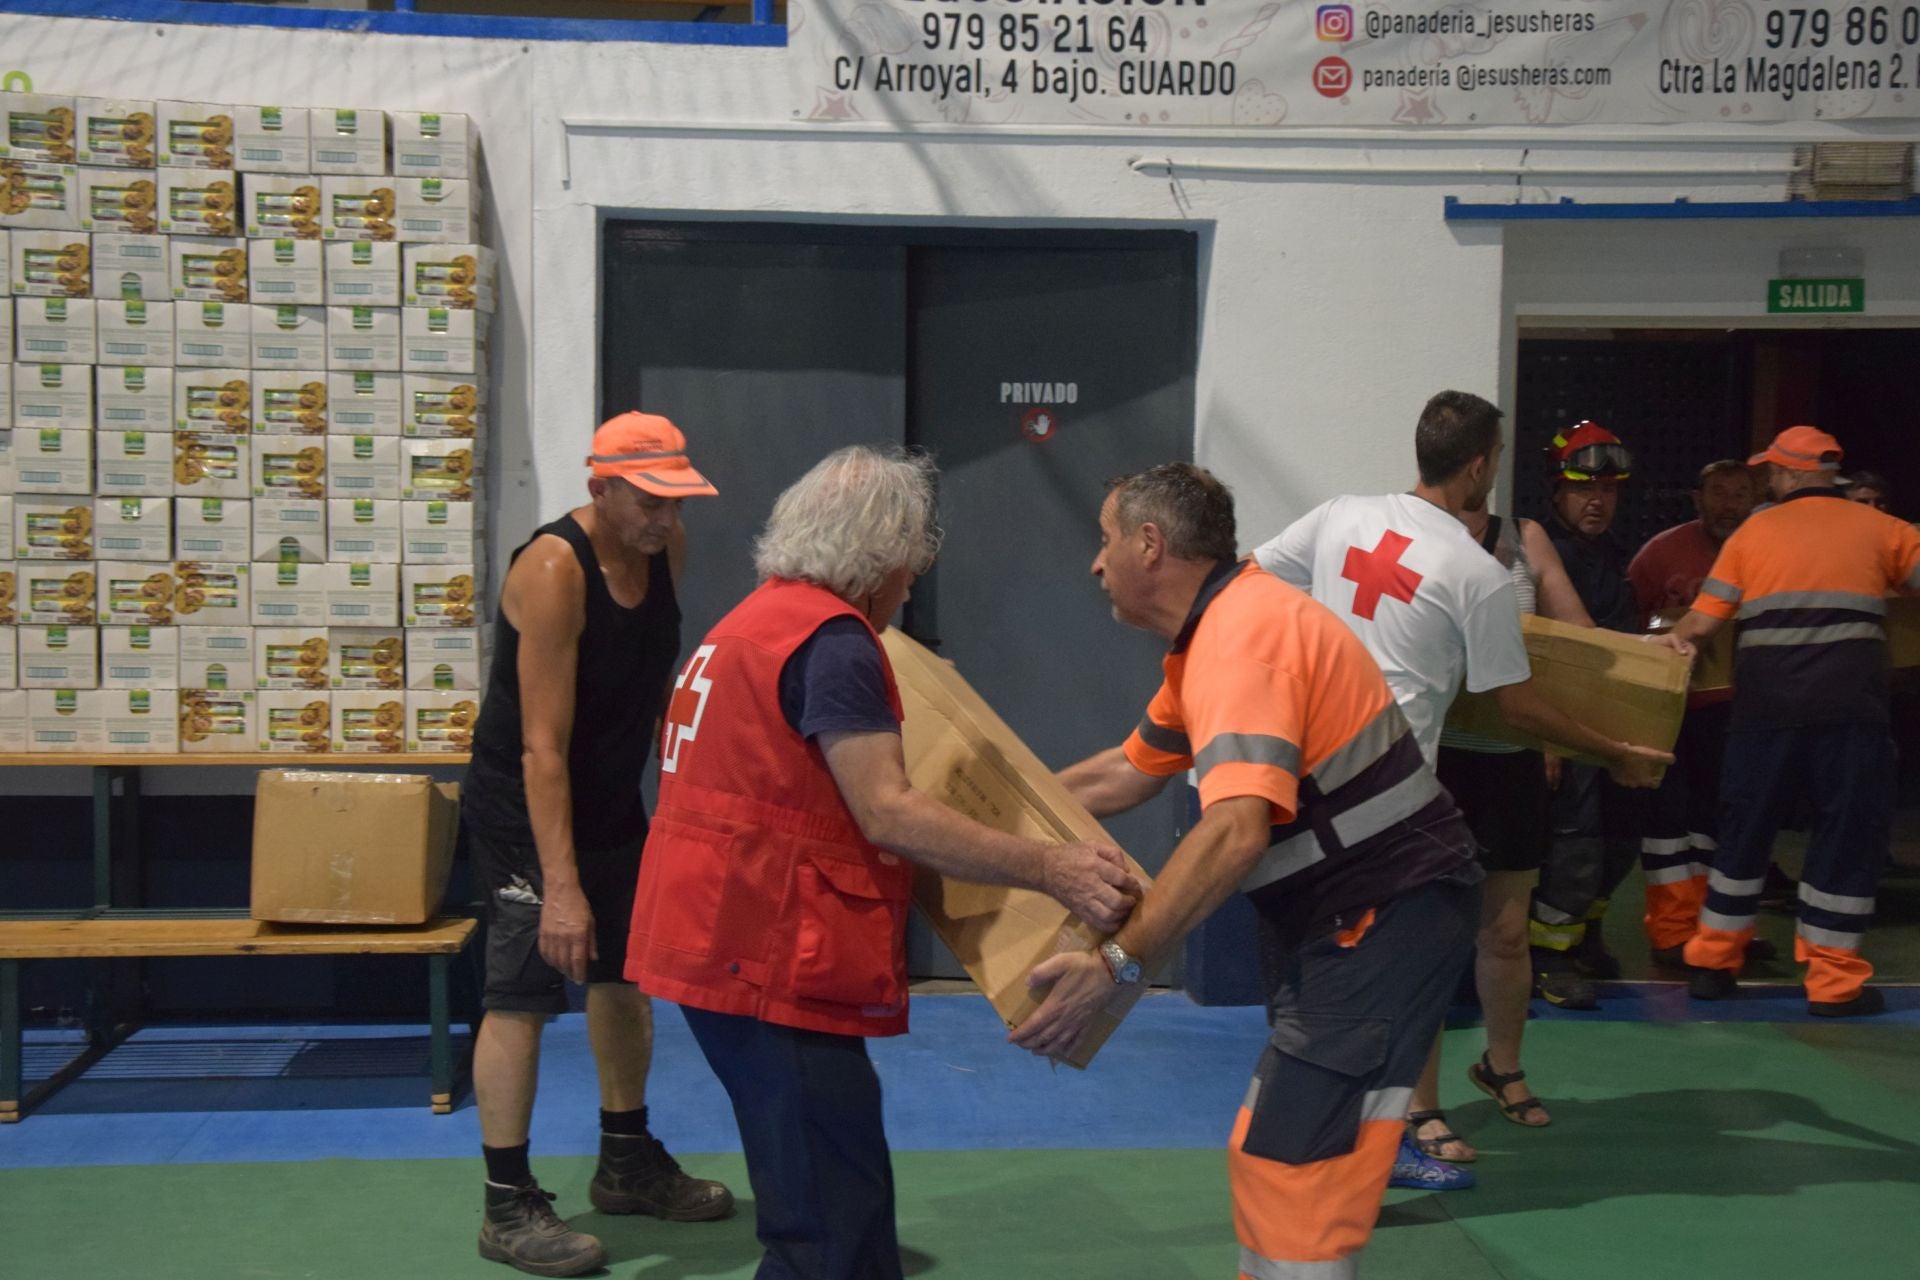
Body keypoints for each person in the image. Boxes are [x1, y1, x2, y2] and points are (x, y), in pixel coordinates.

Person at [625, 445, 1140, 1280]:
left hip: (710, 942)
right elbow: (887, 809)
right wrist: (1053, 868)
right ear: (882, 562)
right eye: (910, 570)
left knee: (837, 1203)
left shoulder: (745, 625)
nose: (909, 589)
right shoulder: (834, 644)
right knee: (825, 1227)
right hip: (770, 958)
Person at [1014, 461, 1488, 1276]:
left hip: (1380, 918)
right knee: (1302, 1152)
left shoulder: (1241, 640)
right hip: (1358, 919)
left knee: (1293, 1162)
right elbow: (1126, 774)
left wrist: (1118, 965)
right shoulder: (1216, 636)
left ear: (1150, 545)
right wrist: (983, 820)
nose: (1096, 564)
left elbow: (1233, 830)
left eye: (1105, 541)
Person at [1248, 391, 1671, 1178]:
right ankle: (1376, 1133)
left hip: (1322, 777)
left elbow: (1248, 580)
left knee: (1333, 970)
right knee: (1385, 965)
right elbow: (1520, 701)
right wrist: (1617, 751)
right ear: (1480, 464)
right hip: (1394, 793)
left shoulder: (1343, 516)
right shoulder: (1472, 570)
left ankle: (1354, 1136)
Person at [461, 411, 734, 1278]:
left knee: (628, 977)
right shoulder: (551, 570)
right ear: (600, 489)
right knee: (524, 992)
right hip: (523, 804)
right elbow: (543, 747)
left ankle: (626, 1159)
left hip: (613, 800)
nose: (666, 519)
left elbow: (655, 697)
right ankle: (507, 1203)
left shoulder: (664, 559)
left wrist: (687, 805)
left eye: (678, 502)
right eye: (651, 501)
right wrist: (562, 885)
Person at [1653, 426, 1920, 1017]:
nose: (1766, 481)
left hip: (1764, 714)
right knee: (1844, 840)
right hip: (1851, 713)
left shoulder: (1753, 532)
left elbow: (1699, 625)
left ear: (1790, 472)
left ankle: (1713, 963)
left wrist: (1653, 658)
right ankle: (1833, 984)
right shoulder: (1881, 529)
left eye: (1769, 472)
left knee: (1744, 835)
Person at [1411, 503, 1593, 1165]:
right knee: (1429, 940)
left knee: (1508, 933)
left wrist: (1657, 649)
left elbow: (1581, 636)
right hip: (1434, 761)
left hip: (1512, 762)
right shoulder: (1409, 535)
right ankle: (1420, 1101)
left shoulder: (1527, 537)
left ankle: (1501, 1065)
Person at [1527, 422, 1645, 1009]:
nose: (1598, 501)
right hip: (1561, 724)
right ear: (1556, 490)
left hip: (1611, 725)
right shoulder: (1537, 552)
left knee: (1622, 836)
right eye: (1584, 489)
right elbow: (1538, 649)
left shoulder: (1611, 555)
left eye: (1610, 490)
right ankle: (1550, 956)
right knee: (1574, 843)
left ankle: (1585, 932)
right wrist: (1547, 738)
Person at [1628, 460, 1759, 959]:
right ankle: (1672, 931)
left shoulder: (1766, 551)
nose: (1729, 503)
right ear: (1697, 498)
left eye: (1740, 493)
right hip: (1671, 710)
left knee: (1724, 825)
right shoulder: (1659, 554)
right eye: (1718, 492)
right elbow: (1633, 623)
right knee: (1667, 826)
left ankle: (1721, 930)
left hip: (1742, 715)